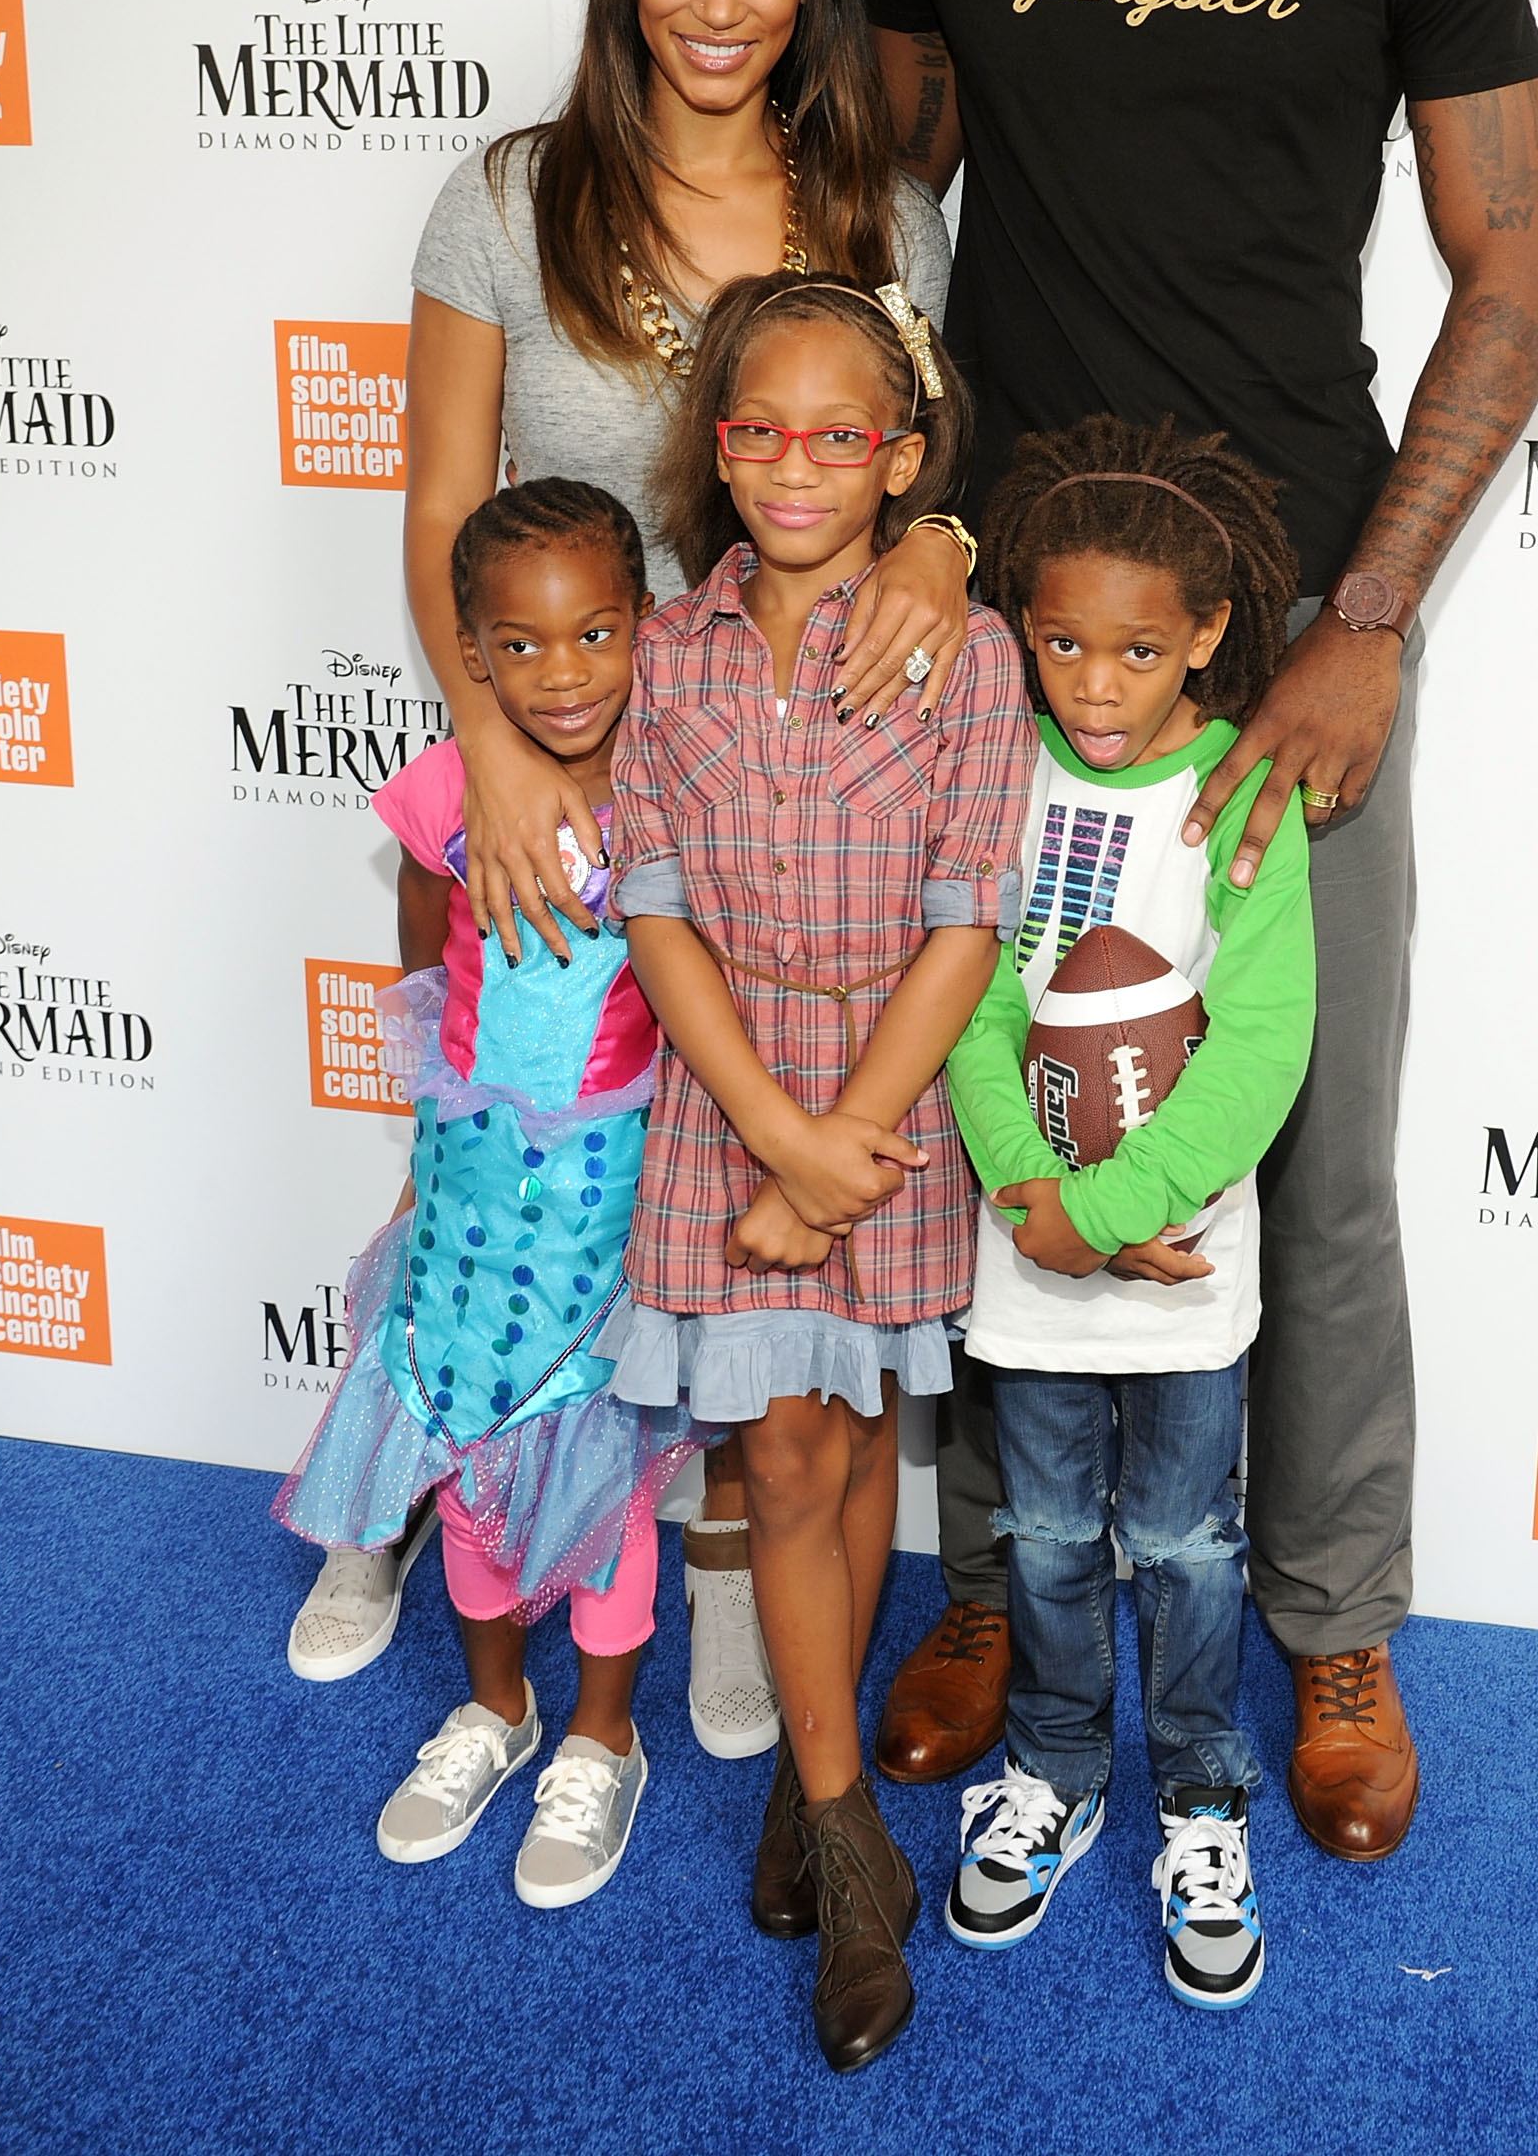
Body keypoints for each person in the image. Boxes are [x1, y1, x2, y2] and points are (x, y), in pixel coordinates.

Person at [856, 0, 1538, 1858]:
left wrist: (1372, 611)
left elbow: (1513, 271)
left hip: (1284, 636)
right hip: (995, 643)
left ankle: (1330, 1617)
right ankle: (988, 1582)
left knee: (1310, 1156)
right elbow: (877, 212)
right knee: (979, 1121)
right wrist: (894, 523)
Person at [329, 0, 973, 1748]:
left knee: (685, 1208)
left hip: (765, 828)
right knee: (489, 1185)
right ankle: (395, 1489)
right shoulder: (509, 197)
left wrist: (940, 544)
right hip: (527, 790)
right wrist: (492, 756)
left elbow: (911, 482)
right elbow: (440, 495)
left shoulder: (883, 220)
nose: (718, 1)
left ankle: (703, 1554)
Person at [599, 274, 1031, 2072]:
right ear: (717, 446)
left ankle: (804, 1761)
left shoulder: (969, 651)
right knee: (781, 1455)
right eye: (758, 429)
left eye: (837, 435)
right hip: (733, 1107)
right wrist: (778, 1145)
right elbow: (656, 902)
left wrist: (843, 1145)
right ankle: (853, 1850)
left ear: (900, 458)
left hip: (898, 1098)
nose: (793, 463)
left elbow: (968, 915)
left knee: (856, 1440)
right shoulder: (670, 654)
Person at [276, 480, 696, 1906]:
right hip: (468, 1201)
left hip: (612, 1205)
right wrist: (421, 1150)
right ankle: (497, 1709)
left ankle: (603, 1732)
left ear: (646, 625)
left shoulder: (672, 786)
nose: (562, 673)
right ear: (467, 650)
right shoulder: (453, 792)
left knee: (600, 1470)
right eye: (518, 646)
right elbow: (424, 937)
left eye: (594, 634)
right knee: (460, 1445)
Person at [942, 418, 1313, 2011]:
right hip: (1029, 1254)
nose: (1095, 685)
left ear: (1209, 639)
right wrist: (1035, 1198)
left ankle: (1202, 1797)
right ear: (1023, 624)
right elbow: (963, 1001)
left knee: (1183, 1540)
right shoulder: (991, 768)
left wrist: (1115, 1208)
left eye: (1139, 650)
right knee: (1038, 1536)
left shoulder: (1240, 803)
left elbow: (1265, 1043)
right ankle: (1055, 1767)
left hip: (1175, 1266)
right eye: (1064, 642)